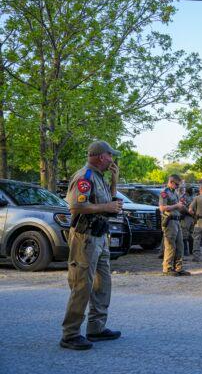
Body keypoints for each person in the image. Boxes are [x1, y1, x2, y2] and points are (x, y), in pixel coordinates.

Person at [60, 140, 123, 350]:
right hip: (85, 237)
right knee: (82, 285)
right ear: (101, 156)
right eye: (110, 156)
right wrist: (106, 206)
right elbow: (75, 206)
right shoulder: (85, 177)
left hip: (99, 236)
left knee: (102, 283)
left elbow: (110, 203)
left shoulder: (99, 177)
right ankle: (70, 334)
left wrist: (114, 180)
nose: (112, 160)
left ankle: (96, 327)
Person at [159, 175, 191, 277]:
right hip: (169, 222)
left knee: (180, 245)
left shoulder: (175, 193)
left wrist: (182, 207)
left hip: (177, 221)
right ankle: (167, 268)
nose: (178, 186)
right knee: (170, 246)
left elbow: (177, 207)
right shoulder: (164, 193)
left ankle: (178, 268)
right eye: (176, 184)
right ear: (171, 182)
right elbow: (162, 208)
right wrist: (176, 206)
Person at [179, 184, 195, 256]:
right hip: (186, 217)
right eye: (191, 189)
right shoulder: (183, 197)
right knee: (184, 234)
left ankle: (191, 251)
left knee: (191, 234)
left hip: (192, 217)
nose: (192, 190)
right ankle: (185, 251)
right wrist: (189, 211)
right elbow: (182, 207)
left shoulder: (194, 197)